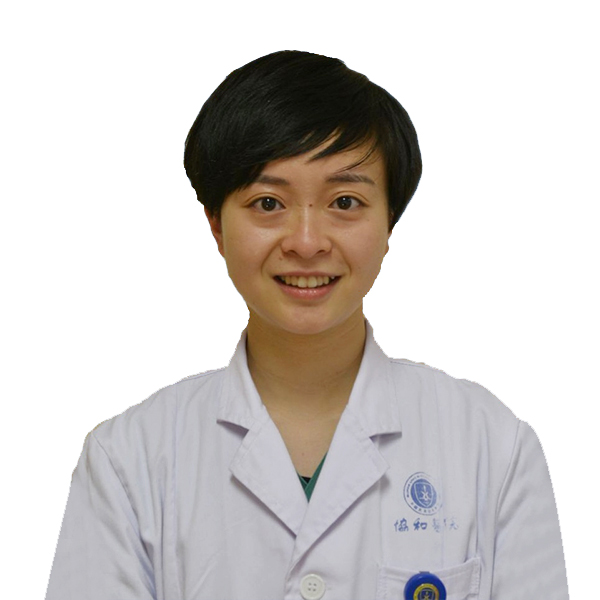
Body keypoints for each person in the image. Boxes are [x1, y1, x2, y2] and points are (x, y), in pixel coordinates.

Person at [45, 51, 569, 600]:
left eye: (345, 201)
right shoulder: (128, 460)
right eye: (268, 203)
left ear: (389, 221)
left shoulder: (492, 446)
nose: (306, 242)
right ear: (216, 226)